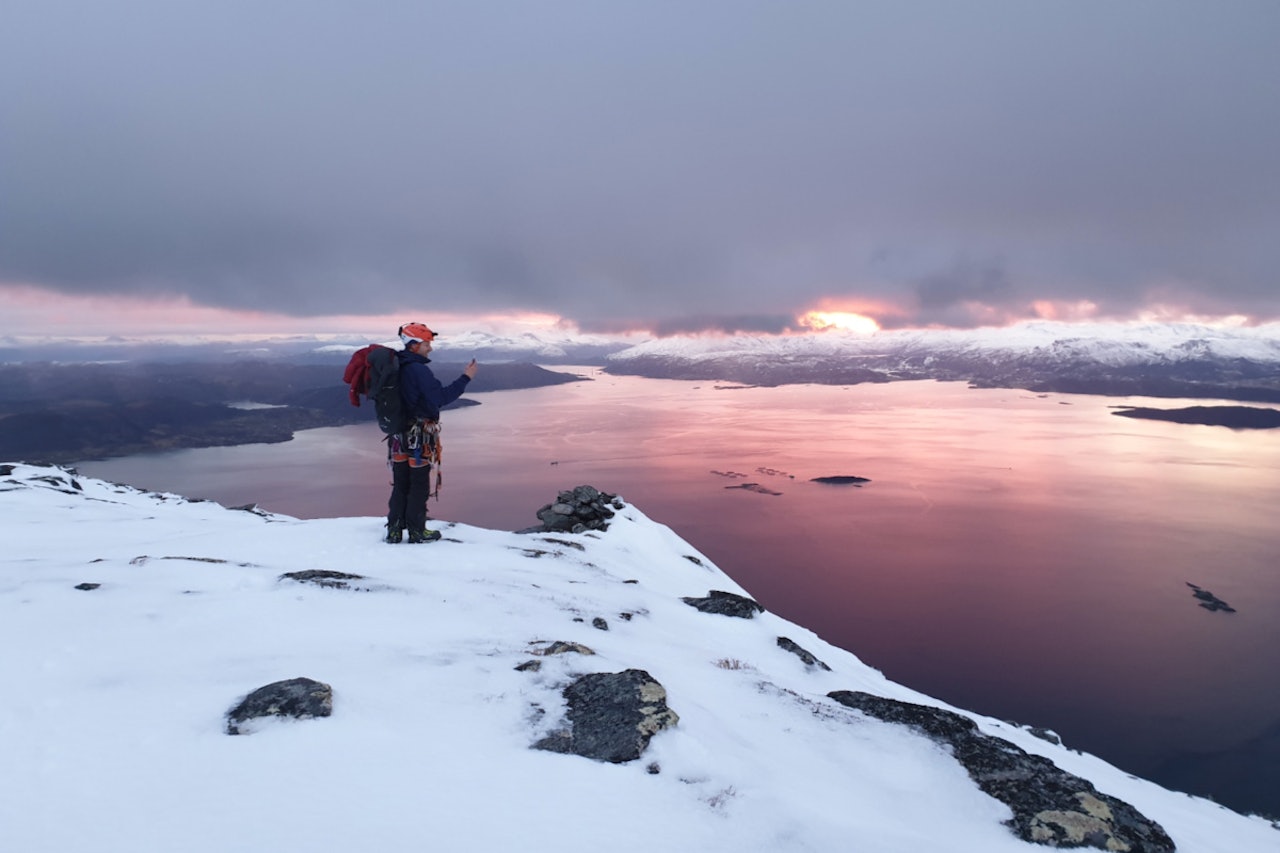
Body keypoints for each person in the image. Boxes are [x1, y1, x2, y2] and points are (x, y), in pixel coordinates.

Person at [386, 322, 478, 544]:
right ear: (415, 345)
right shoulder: (418, 370)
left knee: (400, 483)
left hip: (398, 435)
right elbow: (440, 398)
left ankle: (395, 530)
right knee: (418, 483)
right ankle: (417, 531)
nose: (431, 348)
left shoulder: (395, 365)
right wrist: (466, 378)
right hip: (419, 436)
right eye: (427, 344)